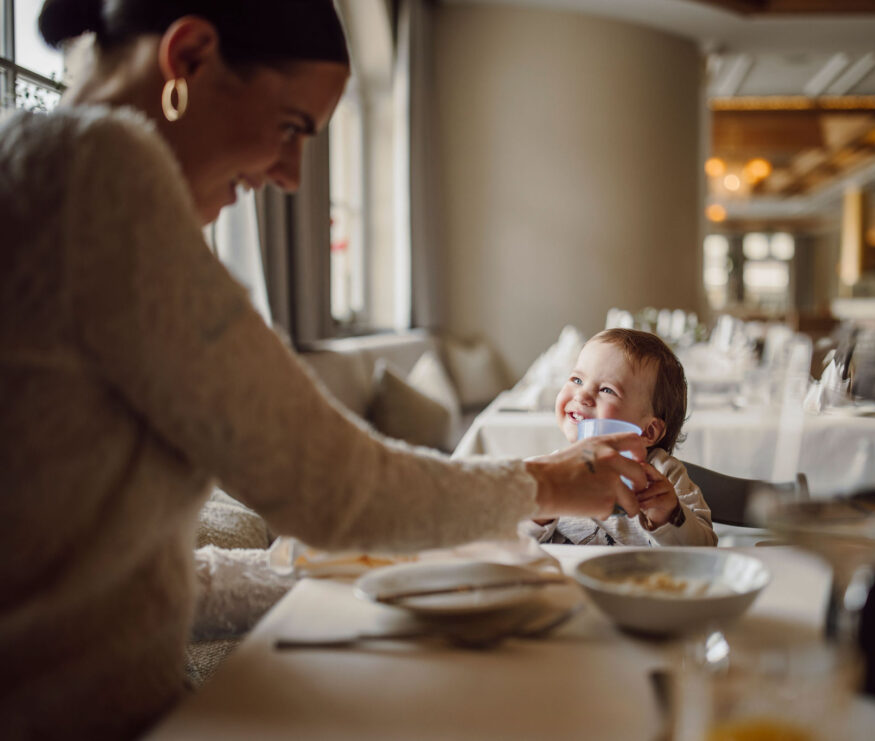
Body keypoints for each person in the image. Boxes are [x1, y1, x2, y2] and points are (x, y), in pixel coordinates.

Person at [0, 1, 649, 738]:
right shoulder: (99, 176)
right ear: (189, 57)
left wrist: (332, 572)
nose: (289, 176)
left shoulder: (40, 169)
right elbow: (335, 487)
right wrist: (546, 482)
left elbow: (119, 581)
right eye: (290, 128)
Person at [523, 329, 717, 546]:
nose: (582, 394)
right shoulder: (551, 472)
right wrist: (539, 510)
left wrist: (669, 516)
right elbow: (508, 543)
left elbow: (705, 548)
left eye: (607, 390)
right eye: (577, 379)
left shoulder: (666, 476)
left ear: (648, 431)